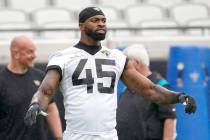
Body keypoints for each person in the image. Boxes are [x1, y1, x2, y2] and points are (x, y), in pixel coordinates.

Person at [24, 7, 196, 140]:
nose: (101, 23)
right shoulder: (63, 57)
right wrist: (36, 104)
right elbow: (46, 89)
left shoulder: (117, 57)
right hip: (77, 136)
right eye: (95, 20)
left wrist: (180, 97)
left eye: (104, 20)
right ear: (81, 26)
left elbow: (149, 89)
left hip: (109, 136)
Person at [0, 36, 63, 140]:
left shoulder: (41, 77)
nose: (34, 56)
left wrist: (58, 137)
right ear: (16, 54)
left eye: (34, 52)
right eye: (30, 52)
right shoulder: (1, 81)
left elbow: (51, 109)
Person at [116, 44, 177, 140]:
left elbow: (169, 119)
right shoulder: (127, 87)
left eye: (125, 65)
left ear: (136, 63)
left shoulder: (160, 85)